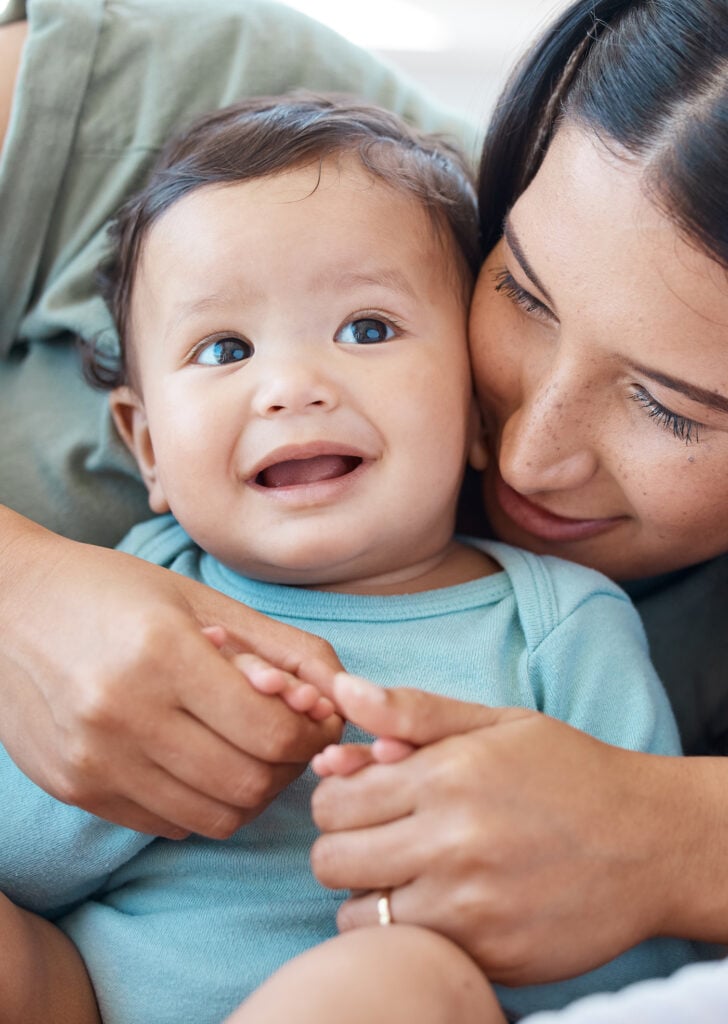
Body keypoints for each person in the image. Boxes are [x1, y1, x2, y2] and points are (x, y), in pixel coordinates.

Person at [1, 0, 727, 1021]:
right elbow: (22, 853)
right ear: (146, 445)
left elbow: (617, 947)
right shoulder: (144, 570)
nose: (522, 449)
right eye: (520, 294)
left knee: (393, 981)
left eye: (668, 404)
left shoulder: (558, 628)